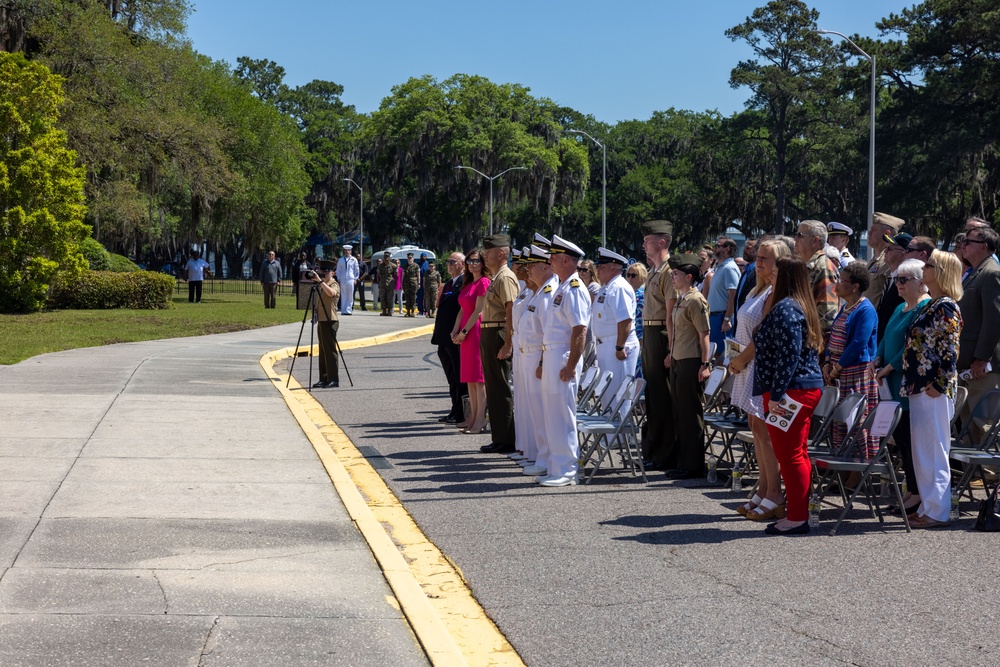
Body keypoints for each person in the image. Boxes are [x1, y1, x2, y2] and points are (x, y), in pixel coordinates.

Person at [752, 256, 825, 535]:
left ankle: (797, 516)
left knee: (790, 455)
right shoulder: (794, 306)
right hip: (794, 389)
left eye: (776, 271)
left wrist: (777, 395)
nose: (770, 273)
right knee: (796, 454)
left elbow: (789, 356)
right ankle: (798, 513)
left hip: (791, 391)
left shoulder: (787, 309)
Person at [729, 238, 792, 520]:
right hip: (746, 364)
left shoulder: (775, 293)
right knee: (756, 427)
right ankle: (764, 487)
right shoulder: (759, 289)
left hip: (757, 365)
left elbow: (762, 335)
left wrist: (741, 359)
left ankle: (774, 493)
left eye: (766, 258)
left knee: (765, 431)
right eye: (758, 257)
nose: (759, 262)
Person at [902, 250, 964, 528]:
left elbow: (950, 348)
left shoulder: (946, 306)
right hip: (919, 384)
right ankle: (928, 505)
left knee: (934, 449)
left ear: (940, 272)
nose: (924, 268)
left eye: (929, 265)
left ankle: (938, 510)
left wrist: (940, 382)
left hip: (933, 387)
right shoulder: (933, 305)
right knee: (922, 450)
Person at [873, 258, 930, 516]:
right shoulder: (901, 307)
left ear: (921, 283)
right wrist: (877, 358)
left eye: (904, 279)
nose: (899, 284)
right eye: (897, 279)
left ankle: (917, 493)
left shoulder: (924, 307)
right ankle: (910, 490)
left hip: (905, 380)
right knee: (901, 440)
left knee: (909, 440)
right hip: (889, 381)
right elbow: (886, 336)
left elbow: (912, 345)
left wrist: (889, 367)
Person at [535, 235, 591, 487]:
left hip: (563, 356)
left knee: (563, 414)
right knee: (551, 413)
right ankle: (555, 465)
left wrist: (570, 365)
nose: (550, 262)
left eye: (554, 258)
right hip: (552, 354)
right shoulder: (562, 286)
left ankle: (567, 469)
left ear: (566, 260)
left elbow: (580, 330)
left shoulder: (575, 288)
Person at [823, 261, 879, 463]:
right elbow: (834, 336)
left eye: (842, 280)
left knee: (855, 421)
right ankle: (843, 466)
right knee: (839, 422)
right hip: (839, 371)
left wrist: (837, 368)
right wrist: (828, 362)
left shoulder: (865, 310)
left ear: (855, 286)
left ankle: (857, 468)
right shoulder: (846, 307)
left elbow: (858, 343)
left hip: (855, 372)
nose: (837, 283)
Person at [665, 253, 712, 479]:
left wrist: (705, 363)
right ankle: (683, 460)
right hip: (677, 359)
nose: (673, 277)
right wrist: (670, 354)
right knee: (679, 412)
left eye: (676, 274)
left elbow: (704, 334)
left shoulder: (696, 299)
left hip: (691, 360)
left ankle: (693, 464)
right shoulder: (682, 298)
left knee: (690, 412)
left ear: (689, 276)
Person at [639, 220, 678, 470]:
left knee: (663, 396)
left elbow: (671, 311)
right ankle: (654, 449)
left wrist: (671, 348)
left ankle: (666, 453)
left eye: (648, 240)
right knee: (653, 395)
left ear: (662, 242)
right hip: (650, 332)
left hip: (662, 333)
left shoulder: (668, 271)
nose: (644, 244)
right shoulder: (654, 270)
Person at [956, 225, 1000, 442]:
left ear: (983, 246)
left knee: (985, 422)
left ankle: (992, 475)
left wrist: (981, 358)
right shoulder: (974, 272)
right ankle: (975, 475)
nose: (963, 245)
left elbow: (994, 320)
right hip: (967, 363)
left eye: (967, 241)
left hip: (982, 366)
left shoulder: (992, 273)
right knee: (968, 423)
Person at [519, 243, 559, 477]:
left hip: (539, 355)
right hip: (531, 353)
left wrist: (543, 362)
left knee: (543, 411)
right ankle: (541, 455)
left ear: (546, 267)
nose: (528, 270)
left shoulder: (550, 291)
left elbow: (548, 332)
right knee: (536, 410)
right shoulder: (541, 290)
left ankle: (546, 458)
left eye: (533, 265)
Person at [478, 234, 519, 453]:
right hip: (490, 331)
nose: (485, 256)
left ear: (501, 254)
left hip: (499, 332)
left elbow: (511, 308)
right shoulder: (497, 276)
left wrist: (508, 343)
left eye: (489, 252)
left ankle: (507, 438)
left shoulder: (505, 277)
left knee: (501, 386)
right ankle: (500, 436)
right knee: (494, 387)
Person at [592, 248, 639, 408]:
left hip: (617, 347)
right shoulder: (606, 287)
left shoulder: (619, 287)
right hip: (606, 346)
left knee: (619, 397)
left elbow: (625, 321)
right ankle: (612, 433)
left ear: (613, 267)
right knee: (607, 396)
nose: (597, 270)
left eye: (601, 266)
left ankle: (621, 433)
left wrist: (619, 346)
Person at [451, 249, 491, 434]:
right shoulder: (468, 283)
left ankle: (480, 419)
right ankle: (472, 416)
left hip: (474, 331)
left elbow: (479, 310)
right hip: (465, 330)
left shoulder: (483, 282)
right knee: (469, 378)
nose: (473, 264)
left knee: (479, 378)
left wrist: (465, 331)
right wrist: (455, 329)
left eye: (476, 261)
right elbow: (461, 309)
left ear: (483, 263)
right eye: (470, 261)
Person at [432, 252, 467, 424]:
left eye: (453, 262)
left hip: (455, 339)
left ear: (462, 263)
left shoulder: (464, 282)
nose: (449, 264)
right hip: (443, 339)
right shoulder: (448, 284)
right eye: (448, 262)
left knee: (459, 376)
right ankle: (455, 409)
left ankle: (461, 411)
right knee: (451, 377)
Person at [794, 220, 840, 341]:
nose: (795, 239)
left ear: (815, 240)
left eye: (800, 235)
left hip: (812, 343)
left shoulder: (823, 268)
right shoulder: (807, 266)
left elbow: (826, 318)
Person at [707, 237, 740, 364]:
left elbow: (733, 295)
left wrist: (727, 319)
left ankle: (728, 382)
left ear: (727, 249)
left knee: (726, 356)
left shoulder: (729, 268)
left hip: (723, 317)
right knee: (716, 353)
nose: (715, 248)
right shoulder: (721, 267)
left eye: (718, 245)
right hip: (716, 317)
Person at [863, 212, 904, 309]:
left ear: (887, 234)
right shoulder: (874, 259)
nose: (869, 233)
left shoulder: (890, 260)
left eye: (874, 230)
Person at [874, 233, 911, 341]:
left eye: (890, 249)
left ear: (903, 254)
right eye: (886, 248)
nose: (885, 251)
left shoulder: (906, 282)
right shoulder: (890, 277)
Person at [310, 259, 340, 389]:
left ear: (333, 273)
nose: (323, 274)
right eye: (322, 271)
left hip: (330, 320)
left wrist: (321, 282)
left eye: (326, 272)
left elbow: (331, 293)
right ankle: (324, 378)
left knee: (330, 351)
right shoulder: (321, 285)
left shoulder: (333, 284)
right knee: (322, 351)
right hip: (322, 320)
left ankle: (333, 378)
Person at [733, 238, 758, 332]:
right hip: (739, 323)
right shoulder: (745, 271)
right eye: (745, 247)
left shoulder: (758, 273)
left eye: (748, 248)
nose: (744, 250)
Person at [336, 245, 359, 315]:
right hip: (343, 279)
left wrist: (355, 278)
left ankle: (349, 310)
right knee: (343, 294)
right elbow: (338, 270)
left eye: (348, 250)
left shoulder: (354, 259)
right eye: (345, 250)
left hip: (350, 279)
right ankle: (343, 310)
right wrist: (338, 278)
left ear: (350, 251)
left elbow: (356, 270)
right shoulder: (341, 260)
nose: (347, 252)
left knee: (350, 295)